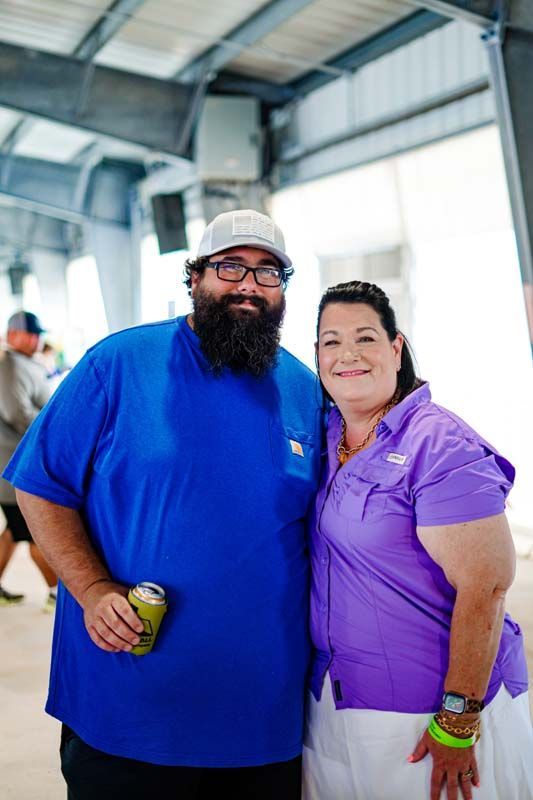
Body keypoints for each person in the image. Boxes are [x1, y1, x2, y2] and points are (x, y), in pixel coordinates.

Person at [4, 210, 322, 799]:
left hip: (260, 719)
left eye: (268, 273)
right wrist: (93, 588)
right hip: (127, 707)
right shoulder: (119, 365)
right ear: (195, 276)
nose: (249, 285)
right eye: (231, 267)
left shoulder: (305, 389)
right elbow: (39, 485)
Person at [304, 280, 533, 800]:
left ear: (396, 347)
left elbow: (487, 587)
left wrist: (457, 719)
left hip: (424, 710)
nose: (348, 355)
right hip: (334, 701)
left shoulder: (439, 444)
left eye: (365, 337)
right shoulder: (325, 436)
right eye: (331, 342)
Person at [0, 311, 57, 610]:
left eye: (38, 334)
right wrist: (54, 428)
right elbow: (17, 414)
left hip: (17, 464)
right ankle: (55, 593)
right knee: (36, 534)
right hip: (14, 467)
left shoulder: (24, 364)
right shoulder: (10, 366)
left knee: (13, 532)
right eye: (30, 334)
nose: (36, 339)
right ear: (12, 335)